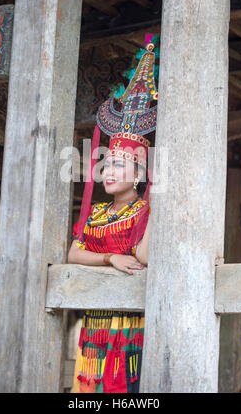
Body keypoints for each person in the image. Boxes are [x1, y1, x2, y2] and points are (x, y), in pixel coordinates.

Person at [68, 35, 158, 393]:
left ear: (138, 174)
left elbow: (144, 257)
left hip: (132, 324)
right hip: (95, 321)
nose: (107, 171)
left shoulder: (146, 211)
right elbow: (73, 253)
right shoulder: (99, 212)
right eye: (105, 163)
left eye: (119, 165)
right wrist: (109, 258)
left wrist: (156, 207)